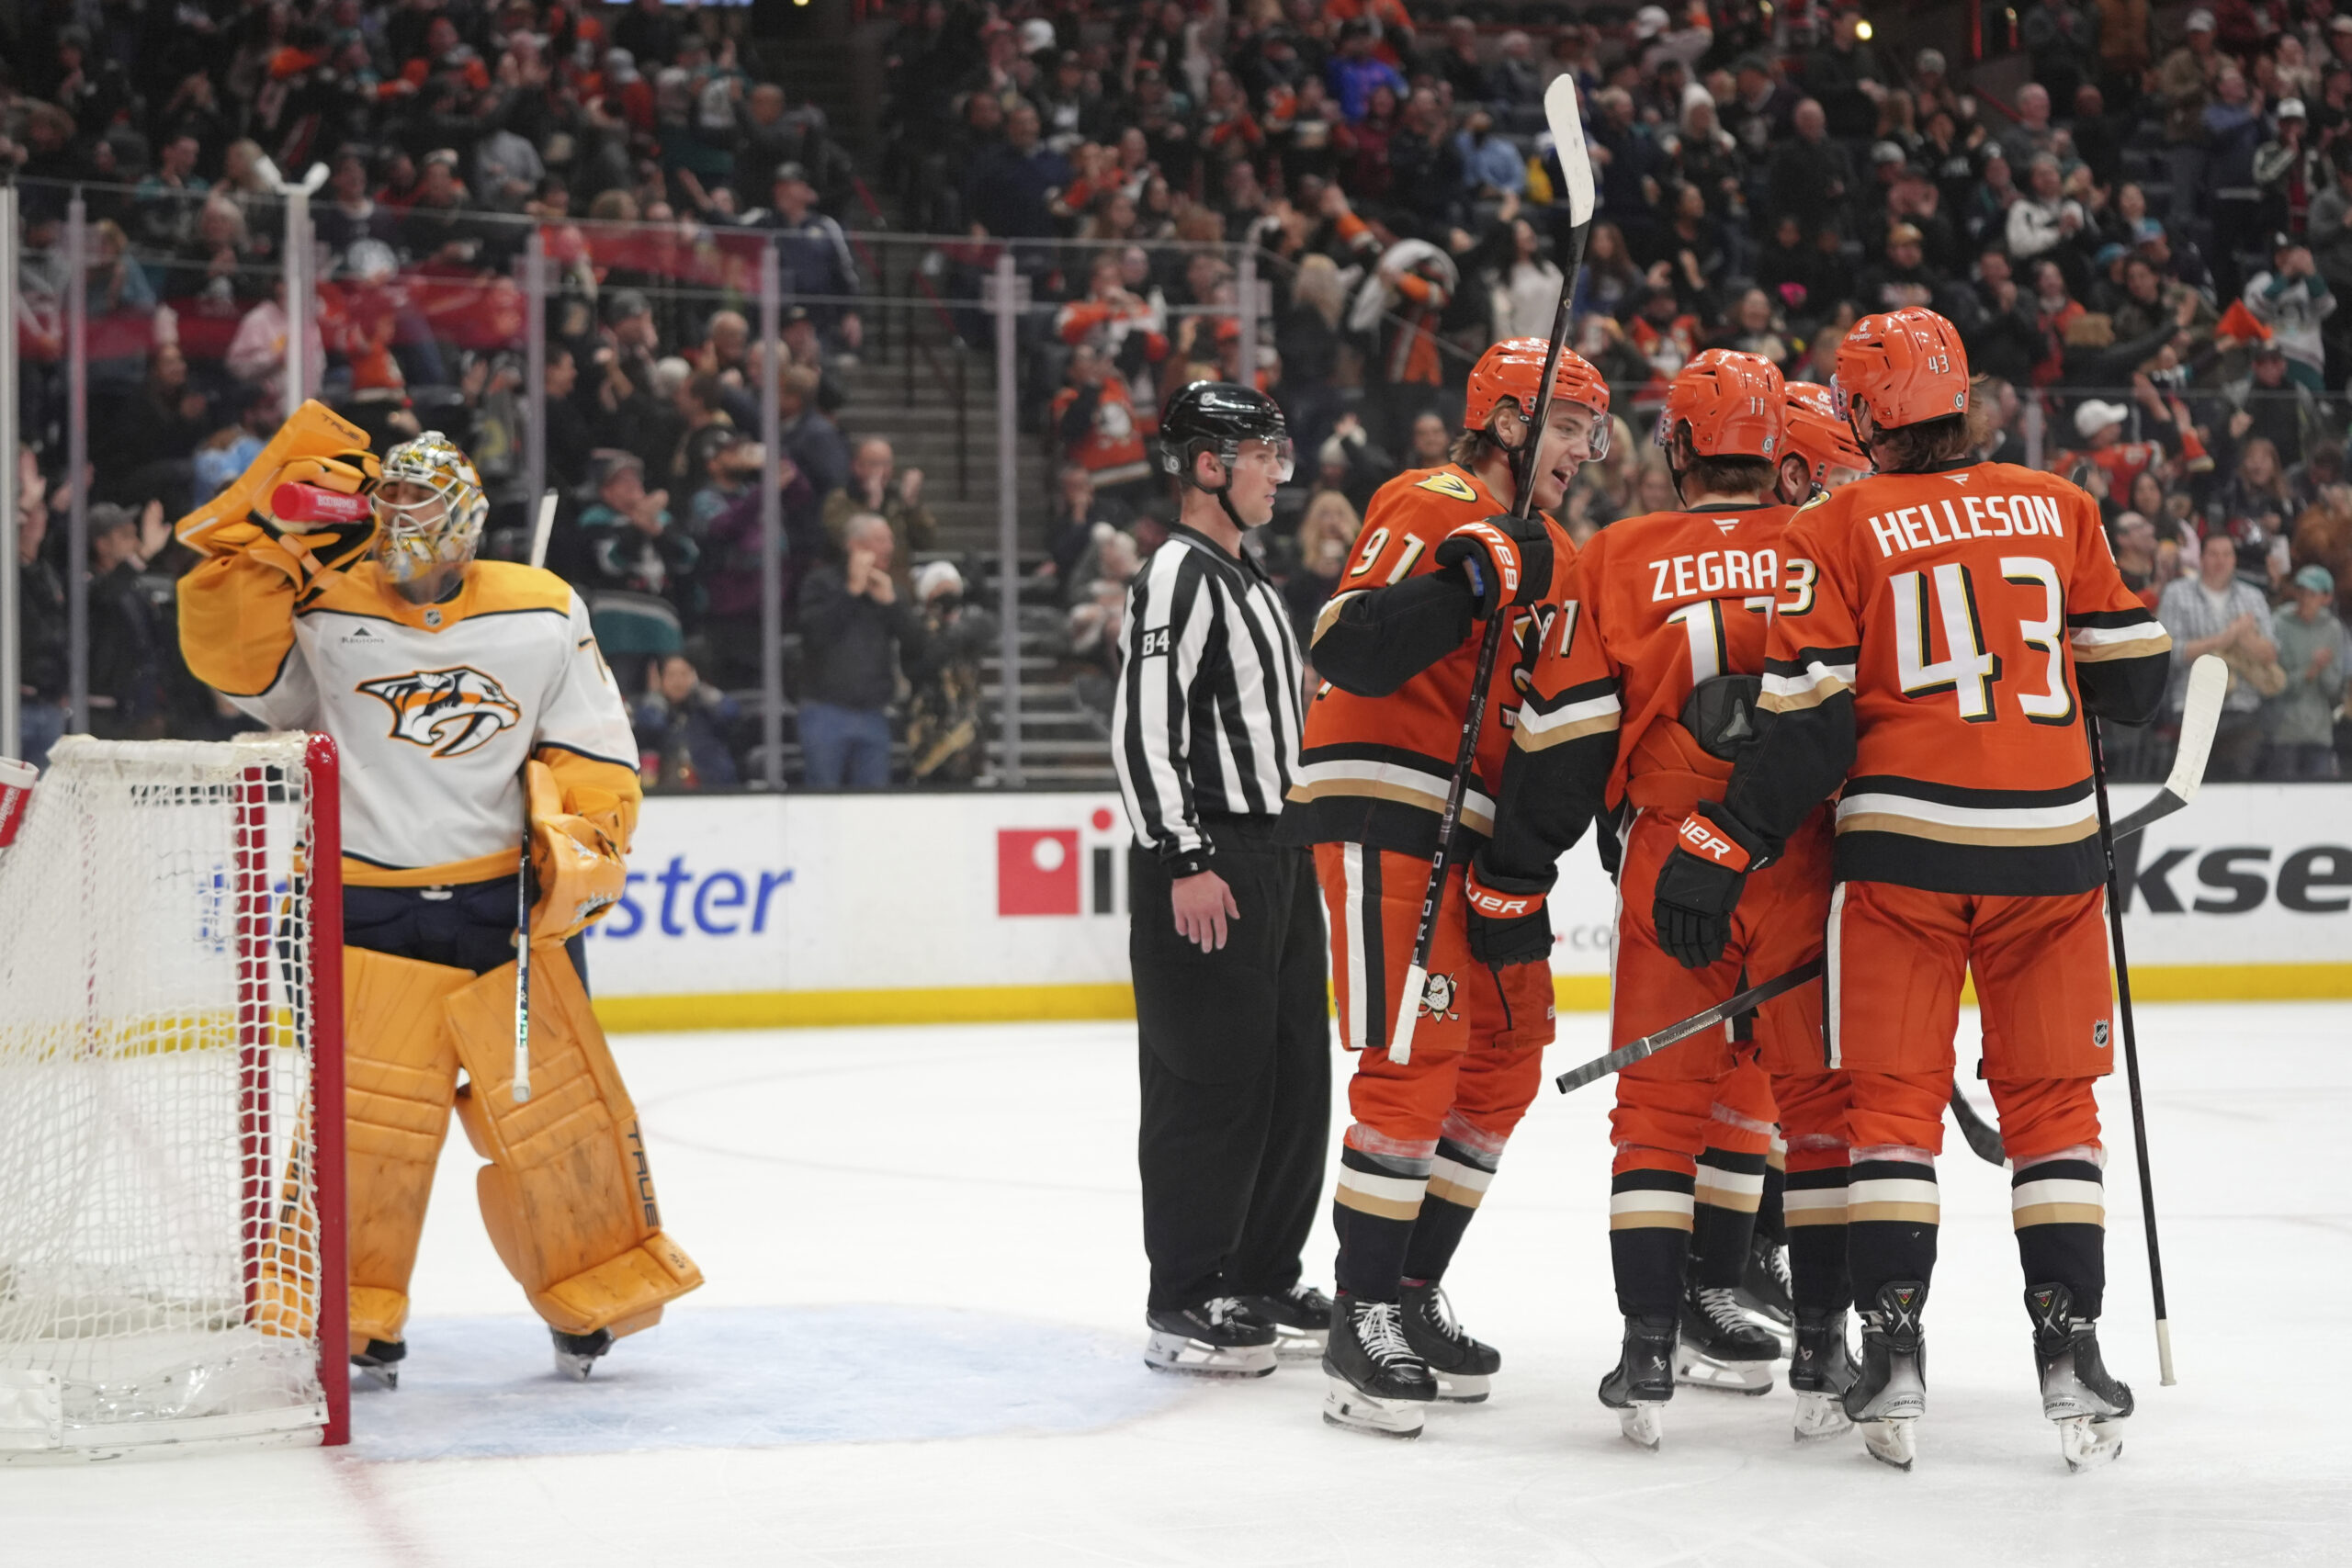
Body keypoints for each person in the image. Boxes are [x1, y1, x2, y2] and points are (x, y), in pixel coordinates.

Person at [1661, 310, 2172, 1472]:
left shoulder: (1836, 519)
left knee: (1888, 1112)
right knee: (2055, 1116)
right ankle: (2070, 1352)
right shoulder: (2059, 505)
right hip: (2049, 859)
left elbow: (1809, 726)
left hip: (1903, 859)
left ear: (1856, 414)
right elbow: (2139, 682)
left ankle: (1890, 1353)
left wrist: (1721, 836)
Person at [173, 406, 701, 1385]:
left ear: (466, 516)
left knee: (558, 1122)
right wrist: (254, 551)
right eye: (392, 500)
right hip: (364, 903)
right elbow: (234, 669)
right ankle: (353, 1307)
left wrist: (581, 838)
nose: (405, 522)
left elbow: (590, 742)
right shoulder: (324, 604)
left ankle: (595, 1289)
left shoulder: (541, 609)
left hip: (505, 905)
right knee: (366, 1127)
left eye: (424, 501)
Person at [1475, 351, 1846, 1447]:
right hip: (1798, 852)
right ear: (1778, 449)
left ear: (1677, 447)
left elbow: (1564, 739)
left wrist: (1515, 873)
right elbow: (1852, 722)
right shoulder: (1825, 543)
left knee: (1654, 1115)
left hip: (1662, 855)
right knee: (1817, 1115)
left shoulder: (1618, 556)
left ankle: (1646, 1350)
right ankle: (1825, 1349)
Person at [1283, 339, 1611, 1438]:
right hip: (1387, 799)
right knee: (1413, 1061)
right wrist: (1469, 576)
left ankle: (1407, 1295)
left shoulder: (1554, 546)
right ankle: (1358, 1314)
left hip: (1477, 834)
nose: (1581, 449)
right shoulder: (1433, 498)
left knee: (1505, 1059)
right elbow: (1352, 645)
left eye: (1591, 431)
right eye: (1565, 425)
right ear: (1509, 420)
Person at [1112, 382, 1331, 1379]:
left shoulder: (1251, 581)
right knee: (1211, 1080)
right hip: (1213, 857)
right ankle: (1187, 1291)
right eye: (1264, 457)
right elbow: (1143, 727)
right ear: (1209, 466)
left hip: (1282, 854)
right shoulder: (1175, 575)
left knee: (1291, 1076)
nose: (1280, 477)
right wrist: (1183, 855)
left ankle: (1261, 1270)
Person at [797, 512, 927, 788]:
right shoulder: (821, 583)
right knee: (822, 799)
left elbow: (918, 645)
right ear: (856, 545)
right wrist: (851, 591)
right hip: (825, 711)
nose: (889, 547)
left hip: (873, 713)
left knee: (872, 805)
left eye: (891, 540)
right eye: (881, 540)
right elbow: (814, 634)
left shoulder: (890, 590)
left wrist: (892, 604)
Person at [2158, 532, 2280, 779]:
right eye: (2213, 554)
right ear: (2201, 558)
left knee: (2239, 788)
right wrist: (2226, 638)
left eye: (2226, 554)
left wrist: (2245, 640)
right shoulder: (2176, 594)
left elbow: (2271, 654)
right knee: (2192, 785)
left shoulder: (2252, 597)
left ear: (2235, 560)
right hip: (2192, 706)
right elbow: (2167, 652)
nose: (2220, 561)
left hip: (2243, 709)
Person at [2267, 564, 2351, 776]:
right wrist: (2309, 671)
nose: (2305, 599)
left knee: (2317, 802)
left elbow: (2333, 688)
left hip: (2319, 734)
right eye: (2301, 592)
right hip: (2284, 732)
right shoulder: (2279, 624)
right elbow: (2274, 683)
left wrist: (2322, 669)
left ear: (2326, 598)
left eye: (2312, 594)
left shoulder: (2333, 629)